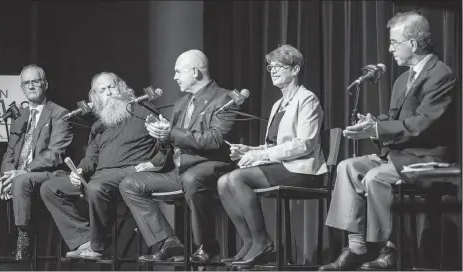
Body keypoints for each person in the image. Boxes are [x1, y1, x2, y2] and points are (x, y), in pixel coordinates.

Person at [319, 11, 456, 271]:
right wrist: (373, 123)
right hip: (398, 155)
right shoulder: (402, 79)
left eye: (394, 42)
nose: (390, 49)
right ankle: (357, 246)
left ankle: (387, 249)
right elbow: (395, 119)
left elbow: (422, 124)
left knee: (375, 177)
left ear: (412, 44)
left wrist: (378, 128)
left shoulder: (441, 75)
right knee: (348, 167)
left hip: (425, 157)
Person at [119, 49, 238, 264]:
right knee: (130, 184)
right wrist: (161, 135)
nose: (174, 77)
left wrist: (171, 132)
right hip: (178, 169)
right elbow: (172, 143)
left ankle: (207, 245)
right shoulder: (182, 102)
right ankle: (168, 242)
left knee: (192, 178)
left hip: (209, 165)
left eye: (178, 72)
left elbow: (214, 139)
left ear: (195, 72)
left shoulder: (225, 98)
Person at [217, 44, 327, 268]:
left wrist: (263, 154)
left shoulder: (308, 99)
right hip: (282, 165)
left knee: (237, 178)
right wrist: (249, 150)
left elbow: (304, 144)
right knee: (222, 182)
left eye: (279, 66)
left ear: (295, 70)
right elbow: (273, 145)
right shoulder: (278, 104)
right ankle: (249, 242)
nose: (273, 71)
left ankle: (263, 242)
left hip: (302, 169)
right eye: (270, 67)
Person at [40, 72, 168, 260]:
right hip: (99, 176)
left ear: (122, 88)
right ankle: (83, 240)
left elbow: (164, 146)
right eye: (102, 90)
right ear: (95, 97)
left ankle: (98, 247)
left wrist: (152, 163)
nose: (108, 92)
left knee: (96, 187)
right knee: (50, 188)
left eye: (112, 87)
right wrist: (80, 171)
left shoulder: (143, 109)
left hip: (128, 173)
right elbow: (91, 158)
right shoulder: (99, 125)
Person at [0, 65, 73, 260]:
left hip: (48, 173)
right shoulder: (20, 117)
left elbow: (56, 154)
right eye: (26, 83)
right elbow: (9, 154)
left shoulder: (60, 114)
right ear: (22, 87)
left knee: (22, 181)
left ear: (44, 84)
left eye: (34, 81)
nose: (30, 86)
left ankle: (23, 240)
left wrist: (23, 171)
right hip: (18, 173)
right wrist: (8, 174)